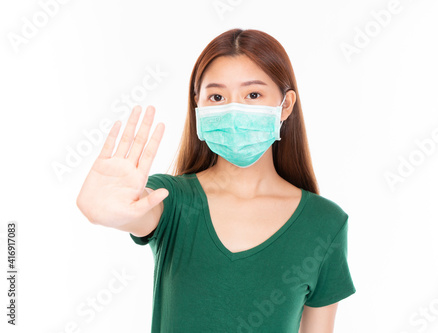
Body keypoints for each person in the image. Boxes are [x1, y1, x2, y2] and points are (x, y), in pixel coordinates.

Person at [76, 28, 356, 332]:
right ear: (199, 106)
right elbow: (138, 210)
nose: (233, 110)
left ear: (285, 106)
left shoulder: (324, 223)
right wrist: (107, 209)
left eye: (253, 94)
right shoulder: (171, 200)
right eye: (217, 96)